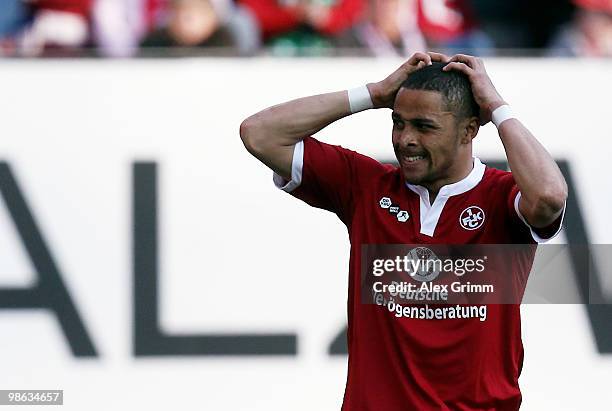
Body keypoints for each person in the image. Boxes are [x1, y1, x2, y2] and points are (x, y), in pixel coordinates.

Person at [239, 52, 567, 410]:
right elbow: (260, 133)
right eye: (398, 123)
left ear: (469, 130)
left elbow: (549, 196)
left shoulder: (504, 196)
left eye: (424, 127)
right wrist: (374, 94)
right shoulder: (366, 186)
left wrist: (497, 107)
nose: (405, 139)